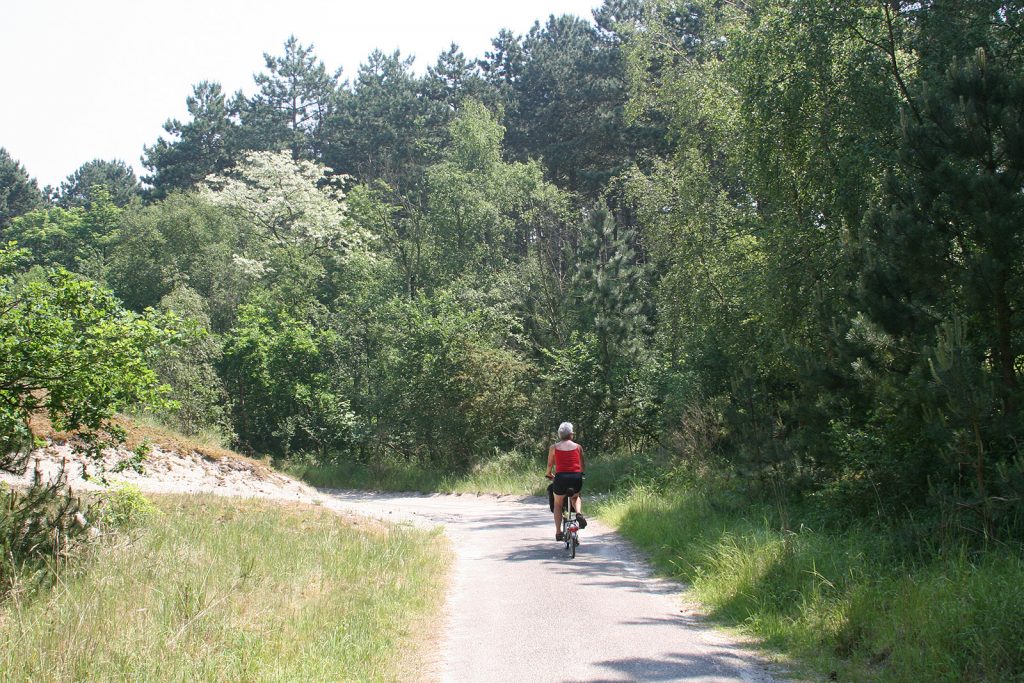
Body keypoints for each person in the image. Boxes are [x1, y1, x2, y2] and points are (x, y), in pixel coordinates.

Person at [545, 421, 587, 541]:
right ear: (571, 434)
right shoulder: (578, 447)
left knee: (558, 504)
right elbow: (582, 464)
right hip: (575, 477)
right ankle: (578, 513)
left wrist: (548, 474)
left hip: (561, 478)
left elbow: (549, 464)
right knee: (575, 497)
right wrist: (581, 474)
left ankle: (558, 532)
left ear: (560, 434)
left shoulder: (554, 447)